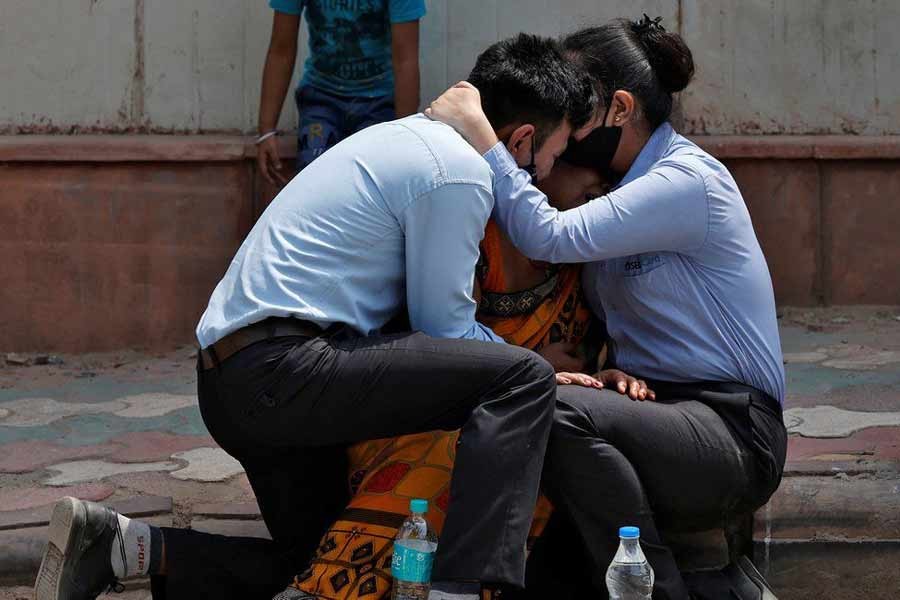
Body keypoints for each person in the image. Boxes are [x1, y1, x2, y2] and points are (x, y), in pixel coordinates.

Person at [33, 34, 596, 600]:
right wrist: (531, 358)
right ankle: (462, 588)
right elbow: (443, 327)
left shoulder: (402, 139)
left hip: (233, 379)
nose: (546, 173)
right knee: (523, 378)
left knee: (329, 563)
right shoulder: (456, 172)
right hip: (284, 370)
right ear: (521, 139)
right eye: (554, 153)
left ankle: (123, 546)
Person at [426, 15, 787, 600]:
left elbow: (546, 236)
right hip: (657, 417)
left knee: (547, 405)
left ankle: (653, 590)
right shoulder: (614, 187)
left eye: (576, 104)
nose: (562, 117)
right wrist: (607, 368)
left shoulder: (683, 181)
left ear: (620, 109)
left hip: (733, 432)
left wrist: (485, 137)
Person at [275, 163, 655, 600]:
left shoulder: (586, 256)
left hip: (525, 419)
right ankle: (331, 588)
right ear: (536, 170)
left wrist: (602, 377)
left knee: (541, 440)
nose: (601, 188)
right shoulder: (475, 232)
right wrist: (529, 363)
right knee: (457, 450)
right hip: (428, 416)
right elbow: (436, 341)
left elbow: (585, 357)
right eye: (584, 164)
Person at [256, 0, 426, 183]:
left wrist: (404, 133)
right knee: (312, 179)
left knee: (372, 181)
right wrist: (266, 131)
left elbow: (405, 59)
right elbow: (281, 49)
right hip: (322, 97)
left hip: (378, 100)